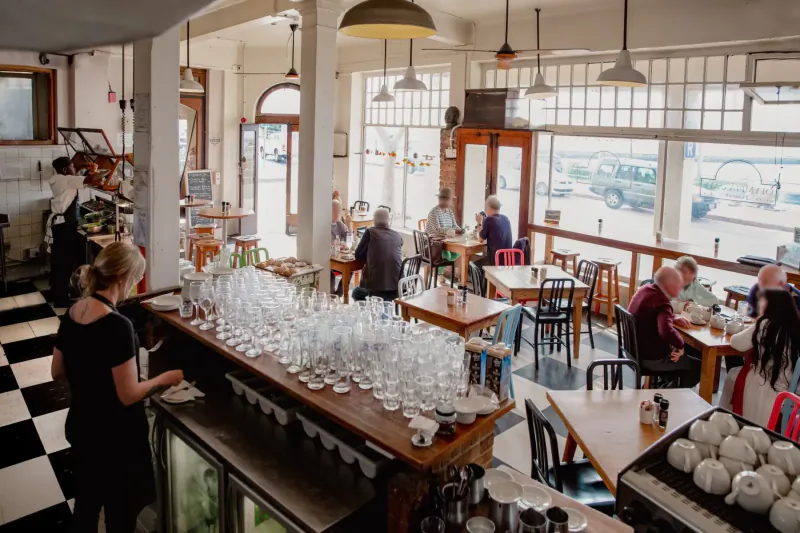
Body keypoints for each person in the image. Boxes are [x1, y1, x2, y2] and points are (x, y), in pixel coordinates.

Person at [50, 242, 184, 531]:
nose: (133, 288)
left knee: (85, 507)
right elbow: (128, 394)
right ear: (123, 277)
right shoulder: (117, 326)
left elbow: (56, 371)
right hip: (115, 440)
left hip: (82, 428)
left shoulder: (73, 313)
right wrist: (166, 378)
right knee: (119, 516)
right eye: (135, 281)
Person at [720, 289, 800, 426]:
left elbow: (737, 343)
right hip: (793, 389)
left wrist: (753, 326)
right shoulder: (796, 326)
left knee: (732, 375)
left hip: (768, 387)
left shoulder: (766, 324)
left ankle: (727, 422)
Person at [628, 266, 701, 387]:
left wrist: (672, 317)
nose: (681, 288)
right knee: (697, 367)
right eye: (679, 285)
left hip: (632, 351)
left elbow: (650, 314)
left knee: (677, 359)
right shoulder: (663, 303)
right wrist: (680, 345)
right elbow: (665, 331)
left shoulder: (644, 290)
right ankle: (665, 396)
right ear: (669, 286)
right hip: (649, 359)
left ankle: (662, 386)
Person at [45, 157, 95, 307]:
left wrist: (82, 166)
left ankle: (57, 292)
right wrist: (99, 171)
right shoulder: (67, 180)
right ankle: (61, 299)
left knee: (58, 262)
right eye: (72, 167)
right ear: (66, 169)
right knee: (64, 263)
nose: (75, 169)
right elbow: (91, 178)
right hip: (64, 227)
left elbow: (77, 178)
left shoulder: (58, 178)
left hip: (60, 226)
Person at [352, 208, 403, 302]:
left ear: (374, 220)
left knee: (356, 292)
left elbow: (358, 256)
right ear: (388, 220)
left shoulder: (370, 232)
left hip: (375, 291)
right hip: (397, 288)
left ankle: (366, 314)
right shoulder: (397, 236)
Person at [472, 195, 513, 270]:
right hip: (508, 261)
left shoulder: (489, 219)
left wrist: (479, 222)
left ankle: (483, 281)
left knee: (471, 266)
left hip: (495, 261)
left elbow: (480, 239)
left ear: (487, 207)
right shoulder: (506, 218)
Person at [330, 199, 350, 296]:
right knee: (329, 273)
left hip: (339, 258)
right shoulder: (324, 224)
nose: (338, 213)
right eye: (336, 210)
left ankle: (339, 294)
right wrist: (333, 244)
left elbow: (348, 237)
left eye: (339, 210)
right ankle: (330, 294)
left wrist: (348, 224)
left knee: (350, 270)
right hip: (329, 259)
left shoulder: (339, 224)